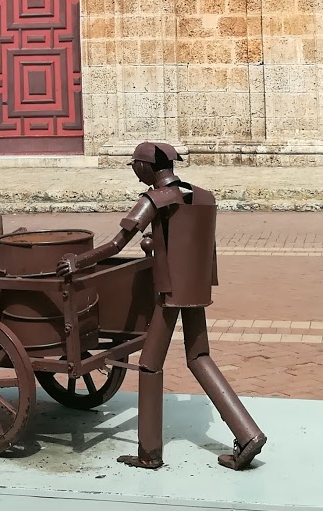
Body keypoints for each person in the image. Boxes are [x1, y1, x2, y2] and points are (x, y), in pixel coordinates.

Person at [58, 141, 265, 471]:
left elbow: (115, 244)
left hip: (169, 294)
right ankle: (249, 433)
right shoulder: (202, 196)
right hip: (196, 287)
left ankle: (149, 454)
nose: (135, 170)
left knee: (150, 366)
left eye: (135, 165)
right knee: (199, 357)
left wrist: (78, 262)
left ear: (146, 168)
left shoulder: (154, 199)